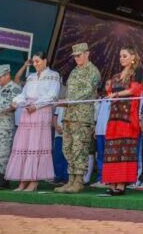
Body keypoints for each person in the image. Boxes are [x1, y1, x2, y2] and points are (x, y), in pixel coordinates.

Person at [6, 51, 60, 192]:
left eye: (38, 61)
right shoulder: (30, 77)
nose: (35, 64)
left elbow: (52, 96)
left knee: (36, 146)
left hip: (41, 112)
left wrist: (36, 105)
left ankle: (34, 181)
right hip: (27, 112)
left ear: (45, 60)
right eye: (34, 62)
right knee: (24, 146)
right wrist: (16, 102)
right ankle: (23, 181)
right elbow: (23, 94)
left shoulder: (53, 75)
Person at [56, 43, 101, 194]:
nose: (76, 58)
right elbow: (69, 93)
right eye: (74, 56)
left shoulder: (93, 71)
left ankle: (79, 181)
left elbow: (87, 91)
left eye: (79, 55)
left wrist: (68, 100)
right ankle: (70, 180)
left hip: (82, 118)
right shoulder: (74, 71)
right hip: (69, 116)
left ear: (87, 54)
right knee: (67, 148)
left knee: (79, 149)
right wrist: (65, 102)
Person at [102, 47, 143, 195]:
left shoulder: (137, 72)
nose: (121, 58)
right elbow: (109, 91)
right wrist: (112, 95)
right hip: (114, 117)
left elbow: (134, 90)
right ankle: (112, 182)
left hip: (127, 118)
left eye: (124, 56)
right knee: (112, 150)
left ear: (132, 57)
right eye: (120, 56)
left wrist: (115, 94)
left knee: (124, 150)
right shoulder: (116, 76)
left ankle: (121, 184)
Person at [91, 79, 111, 188]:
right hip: (99, 131)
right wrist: (95, 128)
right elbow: (98, 115)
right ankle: (100, 179)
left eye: (110, 84)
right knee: (100, 155)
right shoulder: (102, 99)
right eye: (106, 83)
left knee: (108, 156)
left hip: (109, 132)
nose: (107, 85)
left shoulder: (116, 98)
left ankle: (107, 179)